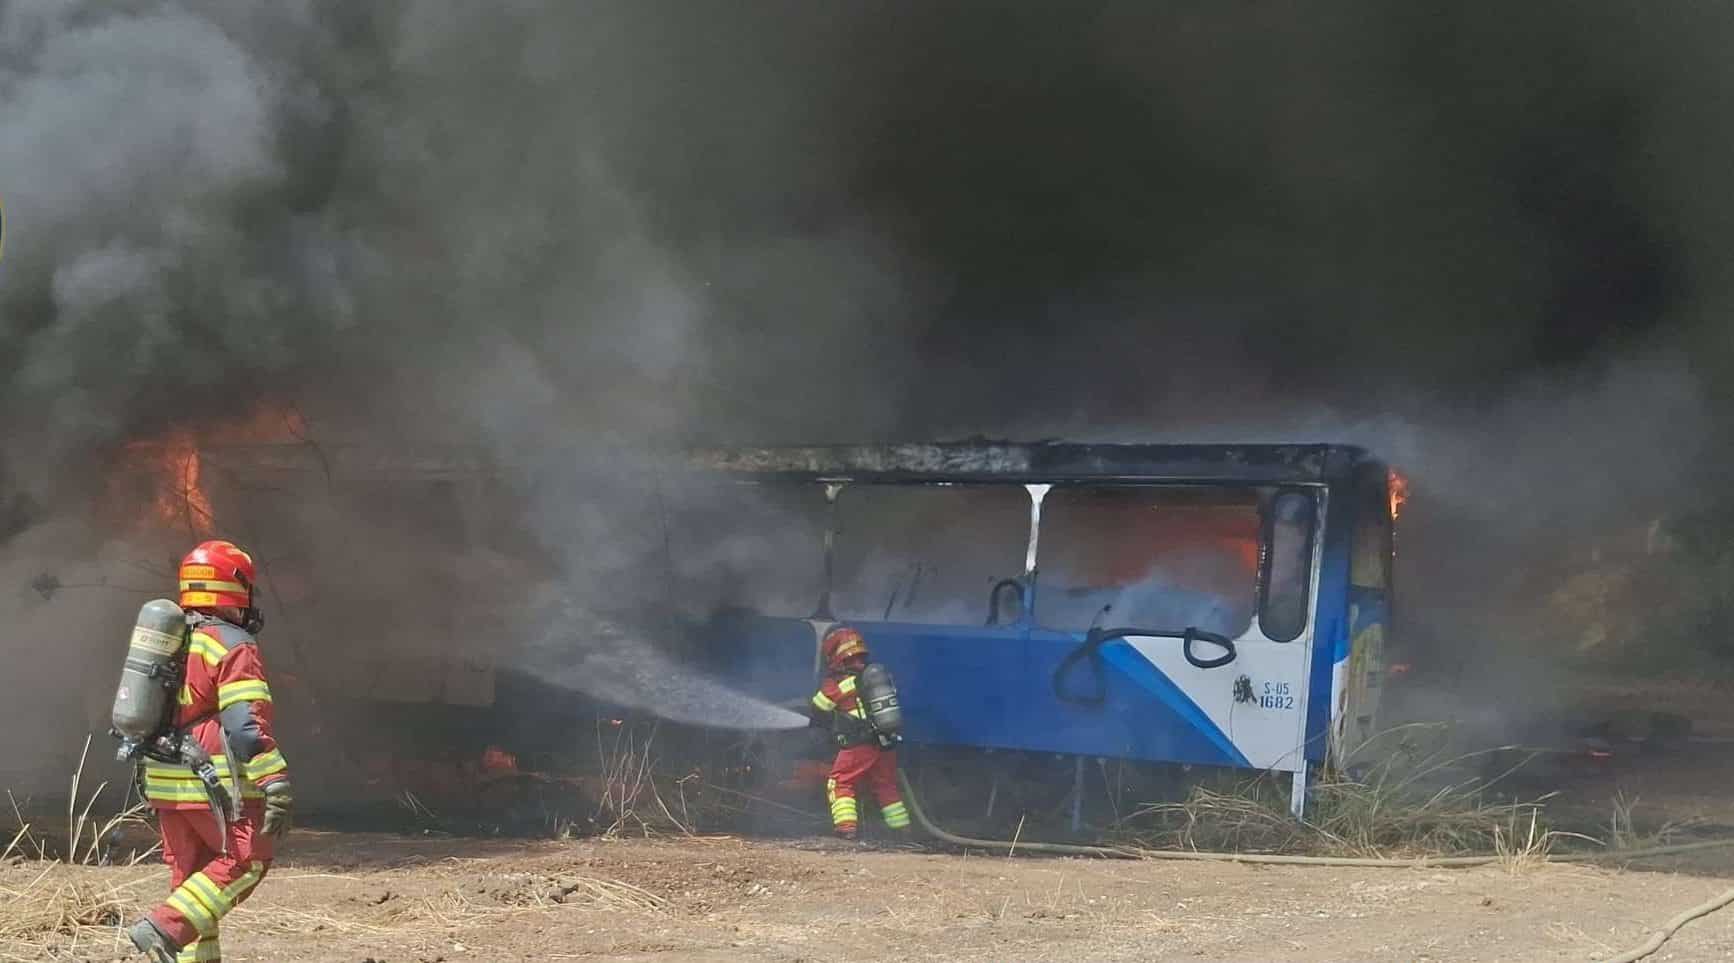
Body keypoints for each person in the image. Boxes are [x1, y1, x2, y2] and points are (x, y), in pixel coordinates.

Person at [128, 540, 294, 963]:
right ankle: (164, 928)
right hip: (214, 783)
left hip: (165, 783)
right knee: (245, 863)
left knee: (191, 881)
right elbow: (245, 725)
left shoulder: (171, 640)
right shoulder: (232, 643)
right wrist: (273, 780)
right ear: (234, 589)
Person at [808, 625, 909, 839]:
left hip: (859, 744)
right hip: (885, 742)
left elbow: (820, 706)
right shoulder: (875, 677)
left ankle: (846, 829)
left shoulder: (840, 683)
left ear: (835, 656)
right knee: (886, 785)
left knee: (840, 781)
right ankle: (902, 829)